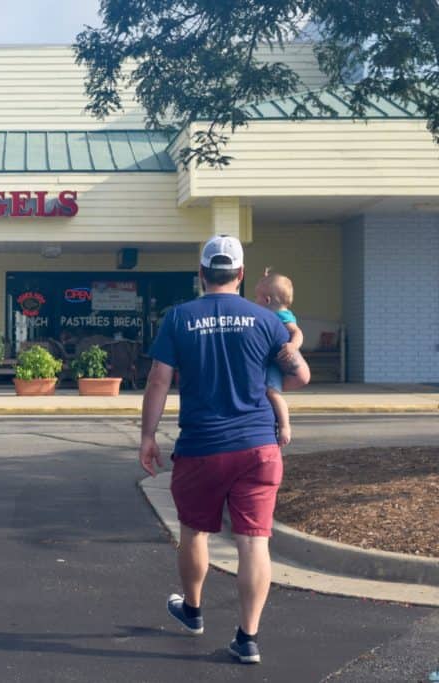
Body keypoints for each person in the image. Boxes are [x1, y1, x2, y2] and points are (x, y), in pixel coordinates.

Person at [138, 235, 310, 665]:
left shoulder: (179, 318)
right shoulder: (267, 320)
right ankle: (247, 639)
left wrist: (147, 435)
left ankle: (193, 611)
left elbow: (159, 380)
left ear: (201, 274)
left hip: (202, 447)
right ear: (240, 275)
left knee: (195, 531)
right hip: (258, 447)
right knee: (254, 542)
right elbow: (300, 376)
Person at [254, 271, 304, 446]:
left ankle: (284, 426)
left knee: (272, 393)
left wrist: (293, 346)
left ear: (267, 301)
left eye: (257, 298)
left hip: (275, 364)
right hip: (269, 361)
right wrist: (265, 278)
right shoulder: (270, 312)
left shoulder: (282, 315)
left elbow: (297, 332)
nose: (255, 302)